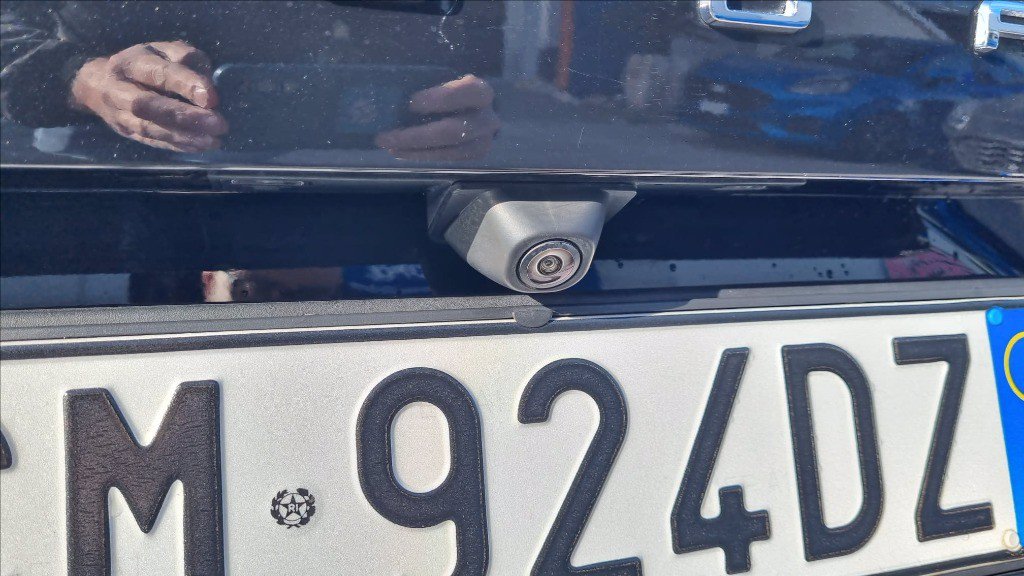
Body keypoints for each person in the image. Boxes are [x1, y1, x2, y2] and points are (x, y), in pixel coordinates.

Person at [1, 1, 501, 160]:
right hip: (108, 180)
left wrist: (462, 113)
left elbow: (447, 37)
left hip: (344, 189)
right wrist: (81, 78)